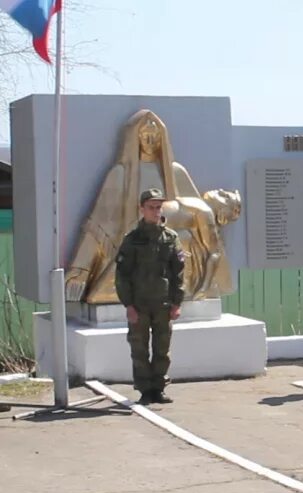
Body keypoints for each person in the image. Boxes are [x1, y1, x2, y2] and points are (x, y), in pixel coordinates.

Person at [67, 109, 203, 304]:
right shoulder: (120, 174)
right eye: (145, 136)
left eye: (154, 137)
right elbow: (99, 225)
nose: (149, 142)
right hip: (134, 255)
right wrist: (81, 269)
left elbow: (198, 218)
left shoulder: (176, 173)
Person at [115, 188, 185, 405]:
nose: (156, 211)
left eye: (158, 207)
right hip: (140, 303)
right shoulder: (132, 239)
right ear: (142, 209)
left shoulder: (171, 238)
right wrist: (128, 304)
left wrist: (176, 302)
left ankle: (159, 388)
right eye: (151, 207)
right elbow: (122, 275)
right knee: (139, 348)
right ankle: (145, 389)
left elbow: (179, 273)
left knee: (162, 348)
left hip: (163, 303)